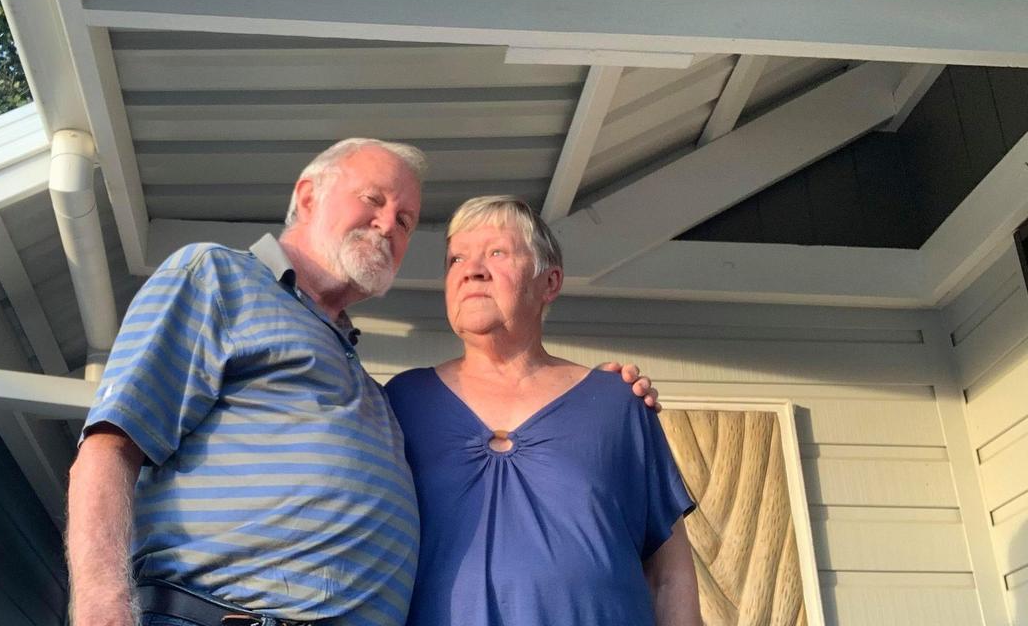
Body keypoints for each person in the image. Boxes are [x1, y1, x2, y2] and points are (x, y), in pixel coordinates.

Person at [66, 139, 660, 626]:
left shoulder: (369, 382)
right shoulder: (218, 276)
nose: (387, 225)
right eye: (373, 200)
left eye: (404, 221)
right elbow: (109, 447)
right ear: (306, 195)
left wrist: (594, 399)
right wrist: (101, 608)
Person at [386, 195, 700, 626]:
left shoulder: (616, 403)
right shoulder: (403, 401)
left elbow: (670, 574)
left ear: (549, 283)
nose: (472, 269)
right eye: (457, 258)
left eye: (497, 252)